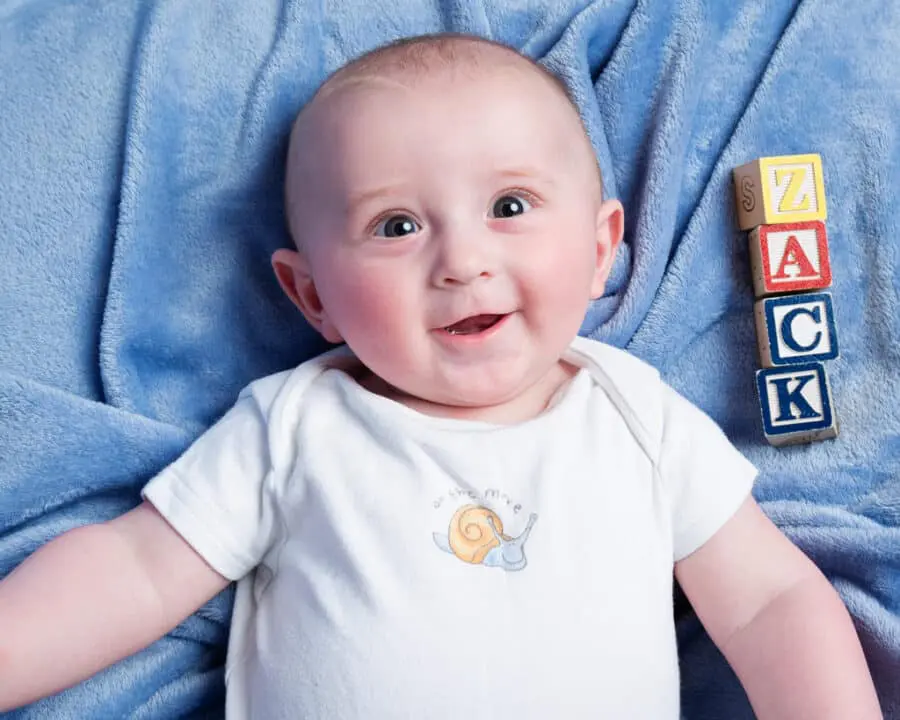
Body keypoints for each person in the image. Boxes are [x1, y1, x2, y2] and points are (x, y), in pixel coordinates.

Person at [0, 33, 882, 719]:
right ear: (313, 295)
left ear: (600, 250)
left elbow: (770, 601)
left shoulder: (638, 416)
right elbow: (137, 570)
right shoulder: (296, 424)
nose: (462, 260)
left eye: (509, 207)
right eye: (394, 226)